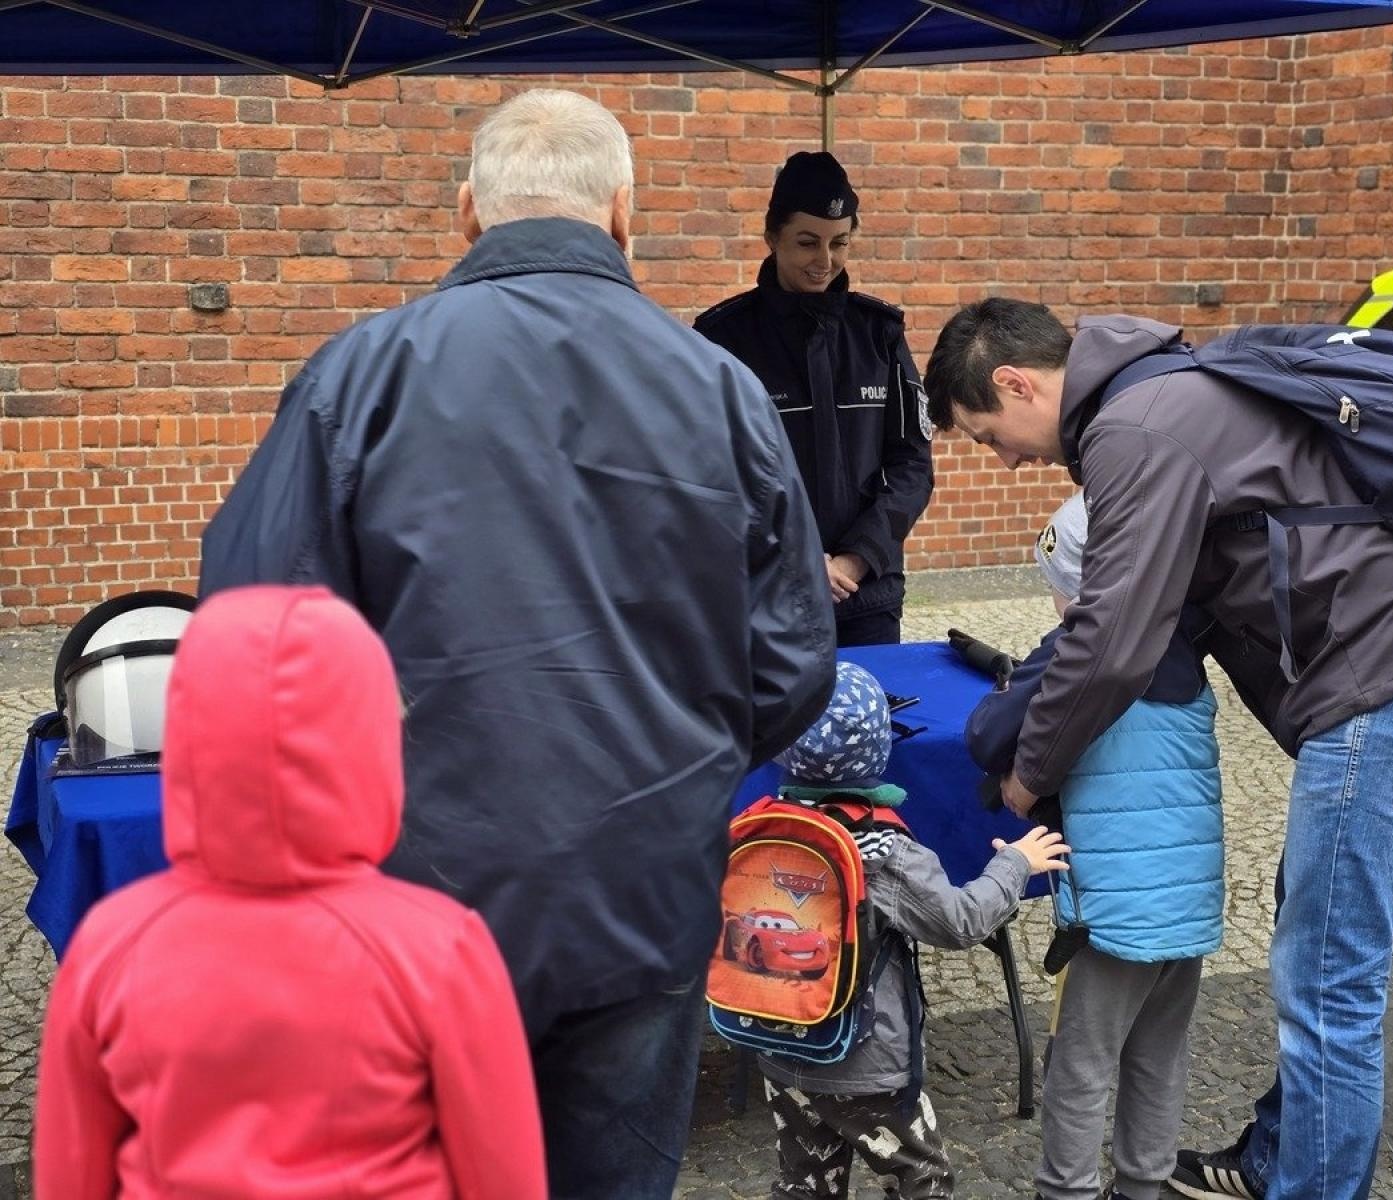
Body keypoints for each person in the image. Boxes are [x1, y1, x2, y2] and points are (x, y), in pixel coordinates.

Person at [197, 89, 835, 1200]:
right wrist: (669, 764)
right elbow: (790, 665)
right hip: (639, 885)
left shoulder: (361, 377)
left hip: (413, 894)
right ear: (624, 215)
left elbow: (250, 637)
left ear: (465, 217)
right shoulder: (720, 390)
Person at [923, 299, 1393, 1200]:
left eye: (985, 432)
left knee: (1325, 991)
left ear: (1014, 383)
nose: (1003, 459)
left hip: (1389, 684)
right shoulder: (1166, 393)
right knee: (1321, 961)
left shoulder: (1133, 429)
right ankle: (1285, 1164)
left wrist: (1029, 775)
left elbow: (1112, 636)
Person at [33, 585, 548, 1199]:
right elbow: (505, 1177)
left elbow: (70, 1174)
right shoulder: (440, 948)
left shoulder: (109, 944)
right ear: (374, 741)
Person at [966, 494, 1224, 1200]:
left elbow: (987, 735)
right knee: (1158, 1058)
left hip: (1111, 917)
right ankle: (1143, 1185)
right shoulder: (1185, 649)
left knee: (1080, 1063)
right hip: (1187, 909)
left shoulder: (1077, 650)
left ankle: (1069, 1190)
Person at [755, 661, 1069, 1199]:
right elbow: (961, 920)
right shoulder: (882, 852)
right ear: (879, 750)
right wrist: (1015, 863)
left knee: (804, 1187)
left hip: (779, 1050)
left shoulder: (767, 828)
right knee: (923, 1180)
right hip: (864, 1060)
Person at [695, 151, 935, 647]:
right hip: (766, 592)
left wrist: (856, 558)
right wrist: (799, 558)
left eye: (839, 243)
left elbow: (912, 463)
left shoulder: (880, 334)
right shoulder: (724, 340)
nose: (824, 261)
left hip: (865, 591)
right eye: (807, 243)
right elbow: (717, 474)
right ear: (772, 237)